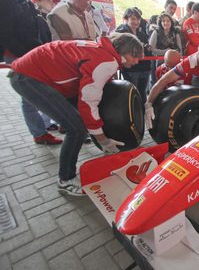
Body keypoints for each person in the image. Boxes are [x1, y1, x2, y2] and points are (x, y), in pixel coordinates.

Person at [9, 33, 144, 196]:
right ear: (124, 51)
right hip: (30, 78)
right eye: (135, 56)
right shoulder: (106, 61)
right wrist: (103, 139)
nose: (137, 61)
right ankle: (65, 179)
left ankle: (102, 146)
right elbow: (88, 102)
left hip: (32, 72)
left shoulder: (102, 51)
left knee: (81, 122)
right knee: (76, 129)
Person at [0, 0, 62, 145]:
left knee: (42, 92)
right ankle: (39, 133)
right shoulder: (4, 0)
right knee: (29, 96)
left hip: (33, 54)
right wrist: (26, 56)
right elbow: (5, 34)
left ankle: (46, 126)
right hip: (20, 57)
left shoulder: (25, 0)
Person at [146, 41, 199, 127]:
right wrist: (148, 104)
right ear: (198, 58)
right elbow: (163, 81)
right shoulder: (189, 61)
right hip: (198, 77)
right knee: (197, 101)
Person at [115, 8, 152, 102]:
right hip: (131, 69)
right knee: (133, 92)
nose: (136, 22)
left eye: (138, 19)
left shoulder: (142, 34)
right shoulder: (121, 33)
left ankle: (143, 113)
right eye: (133, 19)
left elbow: (147, 51)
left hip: (144, 68)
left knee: (142, 92)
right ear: (126, 19)